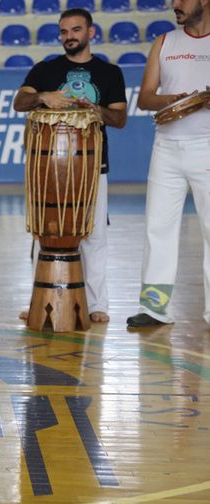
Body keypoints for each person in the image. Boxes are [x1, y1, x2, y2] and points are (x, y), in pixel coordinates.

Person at [13, 8, 127, 324]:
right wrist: (44, 96)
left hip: (91, 169)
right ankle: (39, 298)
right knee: (44, 233)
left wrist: (95, 109)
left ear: (91, 32)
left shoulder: (109, 73)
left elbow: (119, 119)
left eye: (75, 30)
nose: (69, 37)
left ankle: (96, 304)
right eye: (63, 32)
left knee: (93, 237)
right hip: (49, 166)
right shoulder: (45, 71)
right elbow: (19, 102)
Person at [127, 0, 210, 328]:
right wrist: (175, 101)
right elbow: (146, 97)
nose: (175, 4)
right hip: (166, 146)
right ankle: (154, 308)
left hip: (207, 146)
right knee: (157, 226)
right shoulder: (164, 42)